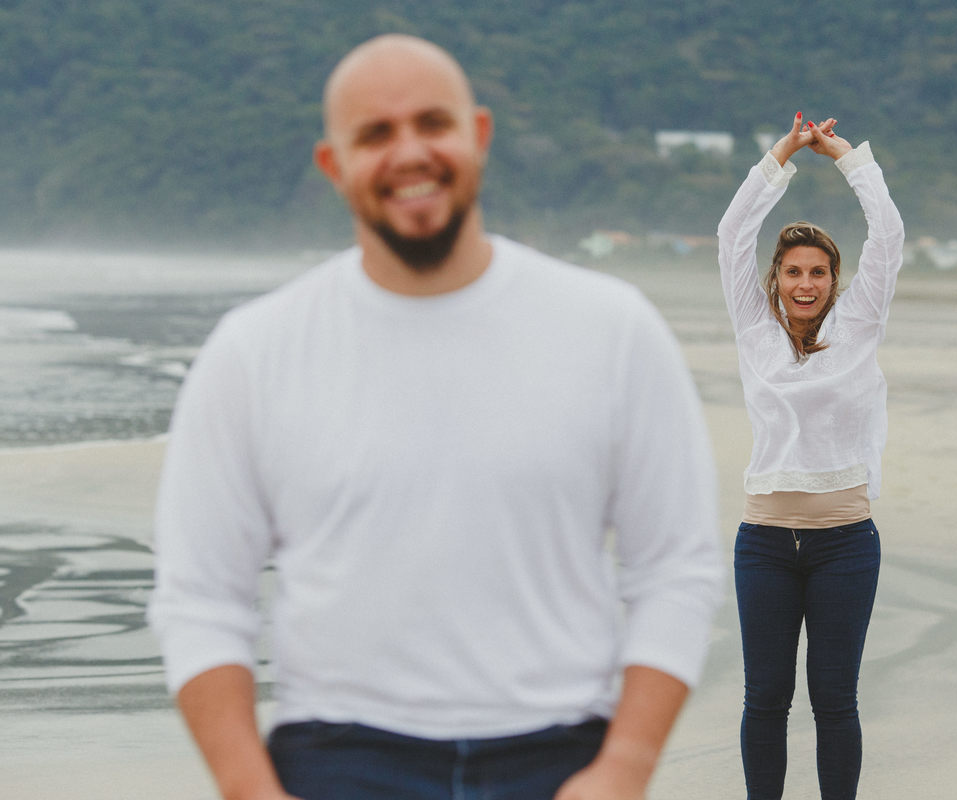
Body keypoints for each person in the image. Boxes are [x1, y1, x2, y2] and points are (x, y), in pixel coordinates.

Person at [148, 34, 723, 800]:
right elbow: (199, 596)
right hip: (338, 755)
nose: (409, 153)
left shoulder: (611, 329)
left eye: (432, 123)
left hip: (561, 756)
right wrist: (250, 789)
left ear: (478, 135)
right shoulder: (254, 352)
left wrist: (625, 769)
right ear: (333, 165)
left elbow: (676, 567)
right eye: (375, 134)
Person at [716, 112, 904, 800]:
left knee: (834, 700)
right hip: (762, 542)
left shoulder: (859, 326)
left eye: (818, 272)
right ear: (776, 277)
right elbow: (732, 235)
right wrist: (781, 155)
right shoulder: (753, 331)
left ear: (834, 278)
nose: (805, 283)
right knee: (765, 699)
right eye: (793, 271)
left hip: (845, 544)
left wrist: (847, 158)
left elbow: (889, 235)